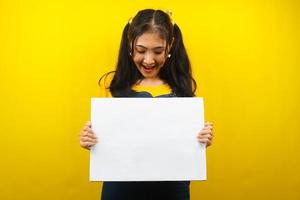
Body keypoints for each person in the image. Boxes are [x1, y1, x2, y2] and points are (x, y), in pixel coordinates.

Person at [79, 9, 213, 200]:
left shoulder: (184, 86)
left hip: (172, 190)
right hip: (120, 190)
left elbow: (185, 141)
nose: (149, 60)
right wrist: (90, 140)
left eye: (158, 51)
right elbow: (105, 139)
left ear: (170, 47)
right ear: (130, 45)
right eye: (141, 50)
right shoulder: (111, 85)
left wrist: (201, 140)